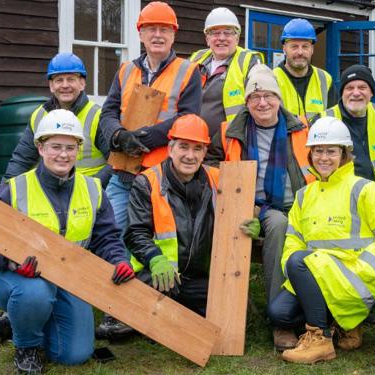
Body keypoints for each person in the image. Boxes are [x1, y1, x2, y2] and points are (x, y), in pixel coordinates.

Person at [0, 109, 135, 374]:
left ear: (78, 150)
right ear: (40, 148)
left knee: (74, 354)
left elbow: (106, 236)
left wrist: (119, 260)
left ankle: (17, 323)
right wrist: (13, 263)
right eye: (55, 147)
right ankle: (27, 347)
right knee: (34, 292)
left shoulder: (93, 189)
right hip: (14, 277)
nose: (63, 154)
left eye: (70, 147)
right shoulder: (14, 188)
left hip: (68, 278)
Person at [96, 1, 202, 338]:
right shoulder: (126, 70)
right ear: (140, 33)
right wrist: (117, 135)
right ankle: (113, 304)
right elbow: (109, 111)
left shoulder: (188, 71)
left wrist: (146, 137)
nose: (158, 34)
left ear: (174, 35)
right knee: (111, 236)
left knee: (146, 242)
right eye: (151, 29)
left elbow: (188, 119)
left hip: (159, 177)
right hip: (123, 171)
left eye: (164, 29)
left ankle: (138, 308)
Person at [268, 116, 375, 364]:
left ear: (344, 154)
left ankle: (320, 340)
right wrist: (295, 273)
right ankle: (342, 324)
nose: (323, 158)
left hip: (355, 279)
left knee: (300, 260)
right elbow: (293, 241)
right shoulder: (303, 196)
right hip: (317, 277)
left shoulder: (364, 189)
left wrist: (367, 267)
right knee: (279, 314)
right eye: (318, 151)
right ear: (310, 154)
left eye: (331, 151)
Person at [205, 63, 314, 350]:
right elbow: (209, 166)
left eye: (268, 95)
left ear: (279, 99)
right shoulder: (231, 131)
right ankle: (283, 321)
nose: (262, 102)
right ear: (247, 102)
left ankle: (326, 318)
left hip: (303, 203)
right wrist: (241, 207)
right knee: (279, 227)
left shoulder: (302, 127)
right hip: (259, 207)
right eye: (255, 97)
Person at [124, 114, 219, 315]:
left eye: (197, 148)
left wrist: (248, 220)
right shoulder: (147, 181)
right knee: (158, 307)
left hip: (200, 278)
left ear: (204, 153)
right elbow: (135, 233)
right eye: (183, 147)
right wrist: (155, 259)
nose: (190, 156)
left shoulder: (218, 179)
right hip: (158, 274)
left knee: (226, 306)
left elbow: (239, 211)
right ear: (170, 149)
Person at [3, 52, 112, 187]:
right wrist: (5, 189)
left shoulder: (98, 116)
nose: (65, 85)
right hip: (49, 192)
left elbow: (114, 162)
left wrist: (91, 188)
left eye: (71, 79)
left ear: (82, 83)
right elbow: (21, 160)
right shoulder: (39, 116)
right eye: (59, 80)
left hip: (88, 197)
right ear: (51, 85)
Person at [316, 65, 375, 193]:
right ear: (342, 93)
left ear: (371, 93)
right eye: (349, 88)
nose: (356, 93)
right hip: (342, 202)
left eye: (362, 87)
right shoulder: (323, 120)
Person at [189, 7, 263, 136]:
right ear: (207, 39)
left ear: (237, 38)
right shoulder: (196, 59)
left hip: (230, 143)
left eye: (228, 32)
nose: (221, 38)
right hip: (194, 141)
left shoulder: (249, 61)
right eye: (215, 33)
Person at [273, 18, 336, 121]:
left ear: (312, 49)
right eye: (294, 47)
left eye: (305, 47)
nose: (300, 52)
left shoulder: (325, 79)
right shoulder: (271, 79)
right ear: (284, 49)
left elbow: (334, 120)